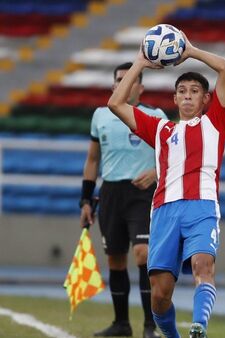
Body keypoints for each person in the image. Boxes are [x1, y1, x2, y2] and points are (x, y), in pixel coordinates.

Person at [107, 32, 225, 338]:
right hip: (164, 210)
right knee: (160, 294)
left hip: (202, 206)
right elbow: (115, 103)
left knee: (204, 265)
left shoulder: (215, 121)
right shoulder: (160, 129)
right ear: (174, 99)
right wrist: (139, 62)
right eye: (182, 91)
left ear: (206, 99)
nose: (188, 95)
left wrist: (190, 51)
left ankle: (199, 326)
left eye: (194, 91)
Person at [80, 62, 165, 338]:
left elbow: (171, 154)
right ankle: (121, 324)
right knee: (115, 260)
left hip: (141, 195)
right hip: (111, 194)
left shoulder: (155, 116)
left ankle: (150, 326)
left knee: (142, 254)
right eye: (119, 79)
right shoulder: (100, 116)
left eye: (129, 79)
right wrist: (85, 199)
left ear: (140, 87)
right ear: (115, 85)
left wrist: (155, 172)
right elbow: (93, 159)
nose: (122, 84)